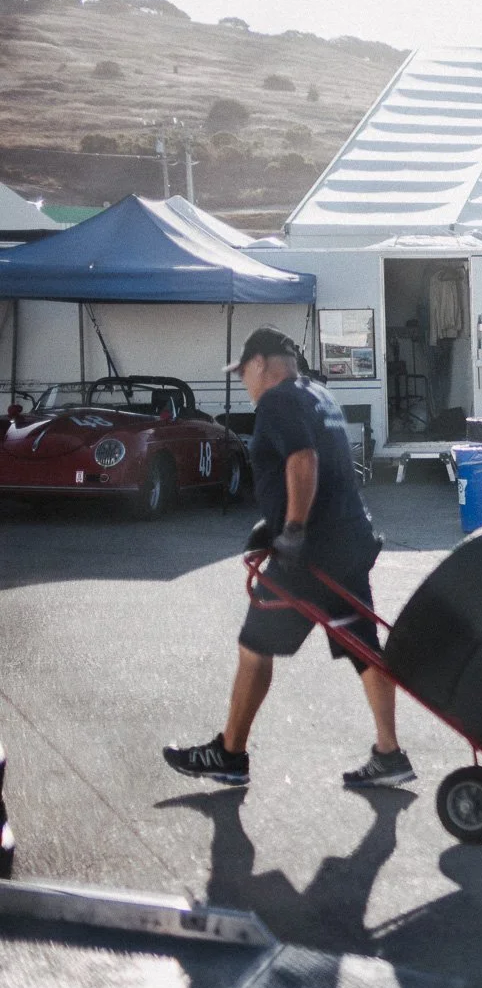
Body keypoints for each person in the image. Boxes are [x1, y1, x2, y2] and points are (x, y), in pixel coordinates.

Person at [164, 327, 415, 789]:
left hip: (310, 555)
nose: (244, 381)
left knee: (254, 647)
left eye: (243, 371)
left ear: (260, 363)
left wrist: (293, 529)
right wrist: (276, 520)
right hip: (348, 541)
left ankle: (230, 754)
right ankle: (390, 753)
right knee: (363, 647)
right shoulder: (319, 395)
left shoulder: (277, 401)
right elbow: (324, 467)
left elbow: (303, 460)